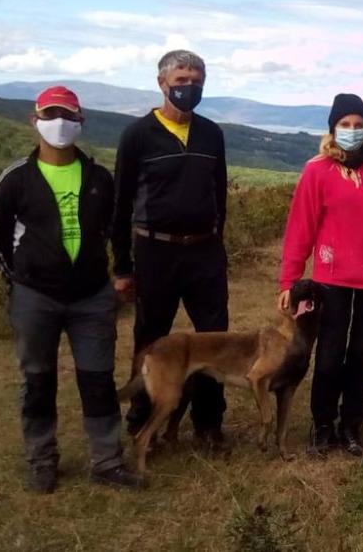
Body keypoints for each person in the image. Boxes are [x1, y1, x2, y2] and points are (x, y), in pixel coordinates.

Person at [0, 86, 143, 492]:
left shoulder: (98, 178)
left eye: (69, 115)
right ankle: (41, 460)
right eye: (51, 114)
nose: (60, 123)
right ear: (34, 119)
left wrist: (117, 272)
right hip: (35, 297)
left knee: (97, 379)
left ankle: (107, 461)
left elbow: (114, 231)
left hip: (91, 295)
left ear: (81, 122)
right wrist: (22, 282)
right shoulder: (15, 180)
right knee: (38, 380)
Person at [278, 93, 363, 457]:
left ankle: (352, 424)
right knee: (330, 355)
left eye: (358, 124)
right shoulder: (316, 170)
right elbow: (300, 229)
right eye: (345, 124)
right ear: (333, 129)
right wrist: (289, 279)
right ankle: (322, 426)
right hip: (331, 279)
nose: (352, 130)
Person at [112, 50, 230, 451]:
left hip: (204, 253)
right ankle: (142, 420)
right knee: (150, 339)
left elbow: (220, 193)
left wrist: (218, 243)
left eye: (196, 80)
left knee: (215, 340)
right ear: (162, 83)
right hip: (154, 251)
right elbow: (120, 203)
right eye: (181, 80)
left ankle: (209, 424)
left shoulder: (212, 133)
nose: (189, 87)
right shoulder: (137, 135)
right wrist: (122, 266)